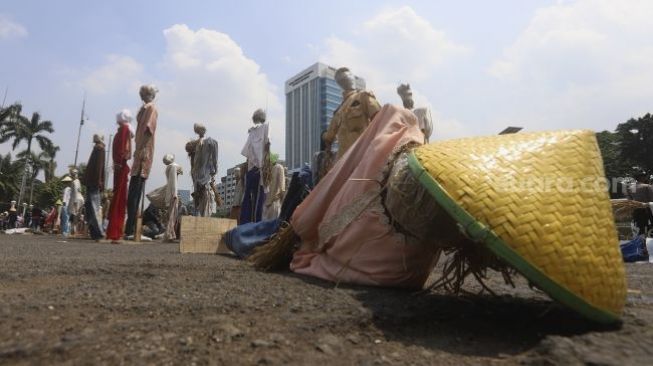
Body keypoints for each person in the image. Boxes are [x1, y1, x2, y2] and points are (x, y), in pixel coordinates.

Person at [324, 67, 381, 159]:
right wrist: (324, 138)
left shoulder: (363, 96)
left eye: (348, 76)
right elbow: (329, 137)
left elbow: (380, 119)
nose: (347, 80)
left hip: (363, 155)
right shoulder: (338, 112)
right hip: (343, 161)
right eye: (342, 79)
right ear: (340, 84)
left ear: (353, 78)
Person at [125, 85, 159, 239]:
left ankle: (130, 229)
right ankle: (131, 229)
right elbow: (146, 129)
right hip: (142, 153)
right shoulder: (148, 108)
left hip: (141, 152)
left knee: (135, 192)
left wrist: (141, 149)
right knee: (135, 192)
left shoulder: (146, 109)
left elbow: (145, 129)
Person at [106, 109, 133, 243]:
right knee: (119, 198)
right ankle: (114, 231)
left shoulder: (123, 130)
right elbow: (124, 149)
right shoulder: (123, 129)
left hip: (120, 167)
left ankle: (115, 231)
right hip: (120, 167)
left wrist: (119, 161)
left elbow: (124, 149)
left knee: (119, 198)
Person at [240, 108, 270, 224]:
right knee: (259, 199)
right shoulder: (266, 127)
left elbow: (246, 152)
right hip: (260, 169)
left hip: (251, 169)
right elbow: (268, 146)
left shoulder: (251, 131)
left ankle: (245, 224)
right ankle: (256, 226)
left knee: (248, 198)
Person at [185, 123, 219, 217]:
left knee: (201, 200)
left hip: (200, 177)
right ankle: (203, 220)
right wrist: (215, 169)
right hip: (203, 176)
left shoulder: (197, 143)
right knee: (205, 198)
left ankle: (201, 218)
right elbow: (214, 160)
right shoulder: (209, 142)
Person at [82, 134, 106, 241]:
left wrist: (98, 181)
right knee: (92, 208)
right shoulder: (99, 149)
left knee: (93, 208)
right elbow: (99, 167)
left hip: (93, 182)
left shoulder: (99, 149)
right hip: (93, 182)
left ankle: (98, 232)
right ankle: (96, 232)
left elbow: (98, 167)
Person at [627, 170, 653, 236]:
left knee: (640, 228)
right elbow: (651, 199)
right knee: (651, 227)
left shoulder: (630, 188)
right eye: (644, 176)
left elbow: (629, 201)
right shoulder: (647, 186)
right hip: (647, 210)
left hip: (636, 210)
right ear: (641, 178)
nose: (645, 178)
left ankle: (641, 242)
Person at [163, 154, 182, 241]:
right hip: (173, 193)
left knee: (171, 214)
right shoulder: (174, 167)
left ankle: (171, 233)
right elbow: (174, 181)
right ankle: (169, 234)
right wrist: (174, 194)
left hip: (169, 192)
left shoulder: (168, 168)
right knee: (172, 215)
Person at [263, 154, 285, 220]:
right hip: (275, 200)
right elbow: (282, 186)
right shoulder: (279, 167)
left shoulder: (268, 169)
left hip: (266, 201)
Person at [69, 169, 84, 235]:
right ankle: (76, 230)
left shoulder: (74, 182)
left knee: (74, 215)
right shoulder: (78, 181)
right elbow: (79, 190)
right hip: (81, 199)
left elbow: (75, 192)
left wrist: (74, 202)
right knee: (78, 216)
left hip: (76, 199)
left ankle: (74, 231)